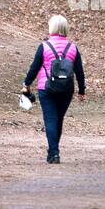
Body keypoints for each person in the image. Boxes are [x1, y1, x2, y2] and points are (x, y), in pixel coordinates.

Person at [23, 14, 85, 164]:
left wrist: (26, 83)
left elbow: (34, 67)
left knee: (50, 119)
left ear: (52, 28)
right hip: (67, 89)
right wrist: (82, 91)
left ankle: (54, 153)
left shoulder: (44, 47)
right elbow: (79, 71)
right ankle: (53, 152)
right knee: (58, 120)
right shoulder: (73, 48)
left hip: (46, 88)